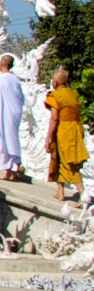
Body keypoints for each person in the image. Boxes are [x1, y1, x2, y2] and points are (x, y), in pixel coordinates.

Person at [44, 66, 88, 202]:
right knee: (58, 159)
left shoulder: (55, 95)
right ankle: (60, 192)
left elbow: (54, 118)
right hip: (75, 129)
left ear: (55, 83)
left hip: (64, 130)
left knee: (68, 163)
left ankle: (83, 195)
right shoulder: (72, 94)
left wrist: (48, 137)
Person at [0, 54, 25, 181]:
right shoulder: (15, 79)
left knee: (3, 140)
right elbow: (21, 97)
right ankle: (11, 169)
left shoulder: (0, 80)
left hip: (4, 112)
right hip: (16, 111)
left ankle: (14, 167)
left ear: (3, 65)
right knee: (12, 138)